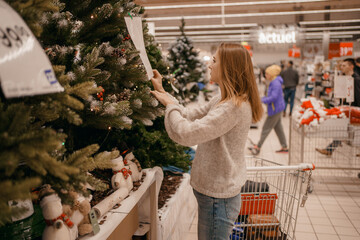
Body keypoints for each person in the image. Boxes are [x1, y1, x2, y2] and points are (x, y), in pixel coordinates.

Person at [150, 43, 263, 240]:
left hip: (218, 200)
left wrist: (169, 105)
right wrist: (164, 93)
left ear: (228, 67)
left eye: (214, 60)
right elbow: (189, 114)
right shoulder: (224, 99)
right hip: (215, 196)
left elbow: (187, 133)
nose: (209, 65)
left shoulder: (232, 107)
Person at [316, 58, 360, 156]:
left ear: (351, 66)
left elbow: (358, 95)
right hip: (347, 109)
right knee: (343, 129)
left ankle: (329, 149)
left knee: (345, 129)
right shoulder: (346, 78)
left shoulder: (355, 79)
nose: (341, 67)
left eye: (344, 65)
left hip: (353, 110)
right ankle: (329, 149)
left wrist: (356, 109)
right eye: (341, 65)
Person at [249, 65, 288, 155]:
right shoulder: (274, 81)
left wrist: (260, 100)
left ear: (272, 74)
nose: (265, 75)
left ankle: (258, 146)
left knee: (266, 128)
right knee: (279, 128)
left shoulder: (275, 83)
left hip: (275, 109)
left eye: (267, 73)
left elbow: (273, 97)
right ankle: (284, 146)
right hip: (277, 107)